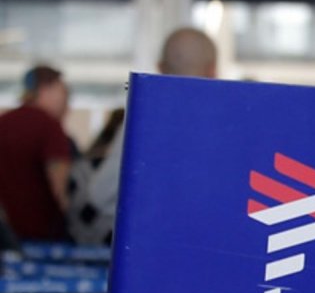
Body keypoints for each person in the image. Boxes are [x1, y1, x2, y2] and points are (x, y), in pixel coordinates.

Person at [71, 28, 217, 245]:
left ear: (159, 68)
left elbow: (100, 194)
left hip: (146, 252)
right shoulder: (229, 126)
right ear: (212, 69)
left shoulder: (143, 119)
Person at [0, 64, 73, 242]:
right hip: (41, 239)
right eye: (63, 91)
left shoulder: (3, 122)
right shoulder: (49, 126)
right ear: (45, 90)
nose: (67, 101)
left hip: (7, 235)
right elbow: (60, 187)